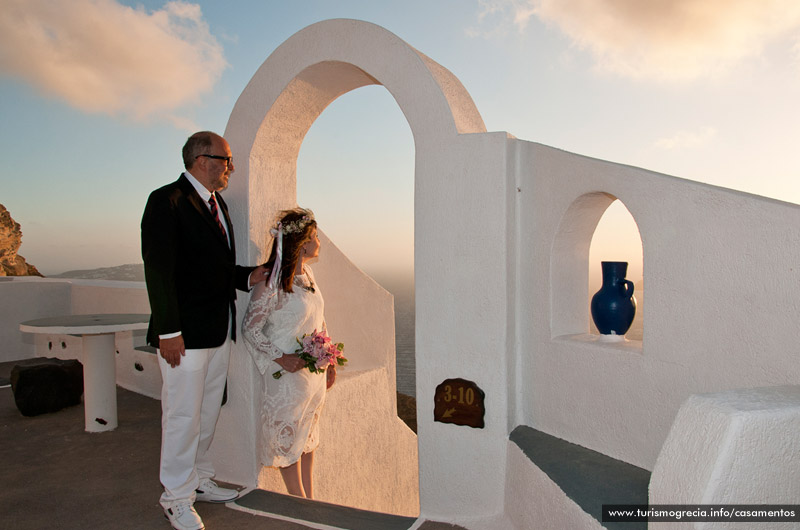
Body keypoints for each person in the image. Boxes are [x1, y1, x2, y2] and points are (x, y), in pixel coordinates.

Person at [141, 131, 268, 530]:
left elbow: (214, 269)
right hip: (184, 335)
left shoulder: (217, 204)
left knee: (207, 412)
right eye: (225, 159)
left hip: (217, 330)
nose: (230, 167)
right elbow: (159, 271)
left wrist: (252, 276)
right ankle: (175, 496)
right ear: (201, 159)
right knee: (182, 416)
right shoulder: (167, 201)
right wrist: (168, 331)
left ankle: (198, 479)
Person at [242, 208, 336, 498]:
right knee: (289, 437)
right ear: (302, 243)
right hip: (286, 377)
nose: (319, 241)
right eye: (315, 236)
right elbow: (250, 328)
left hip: (312, 375)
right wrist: (282, 358)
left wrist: (330, 358)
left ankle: (311, 498)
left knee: (308, 436)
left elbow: (318, 319)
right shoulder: (273, 282)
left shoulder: (308, 274)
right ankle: (298, 502)